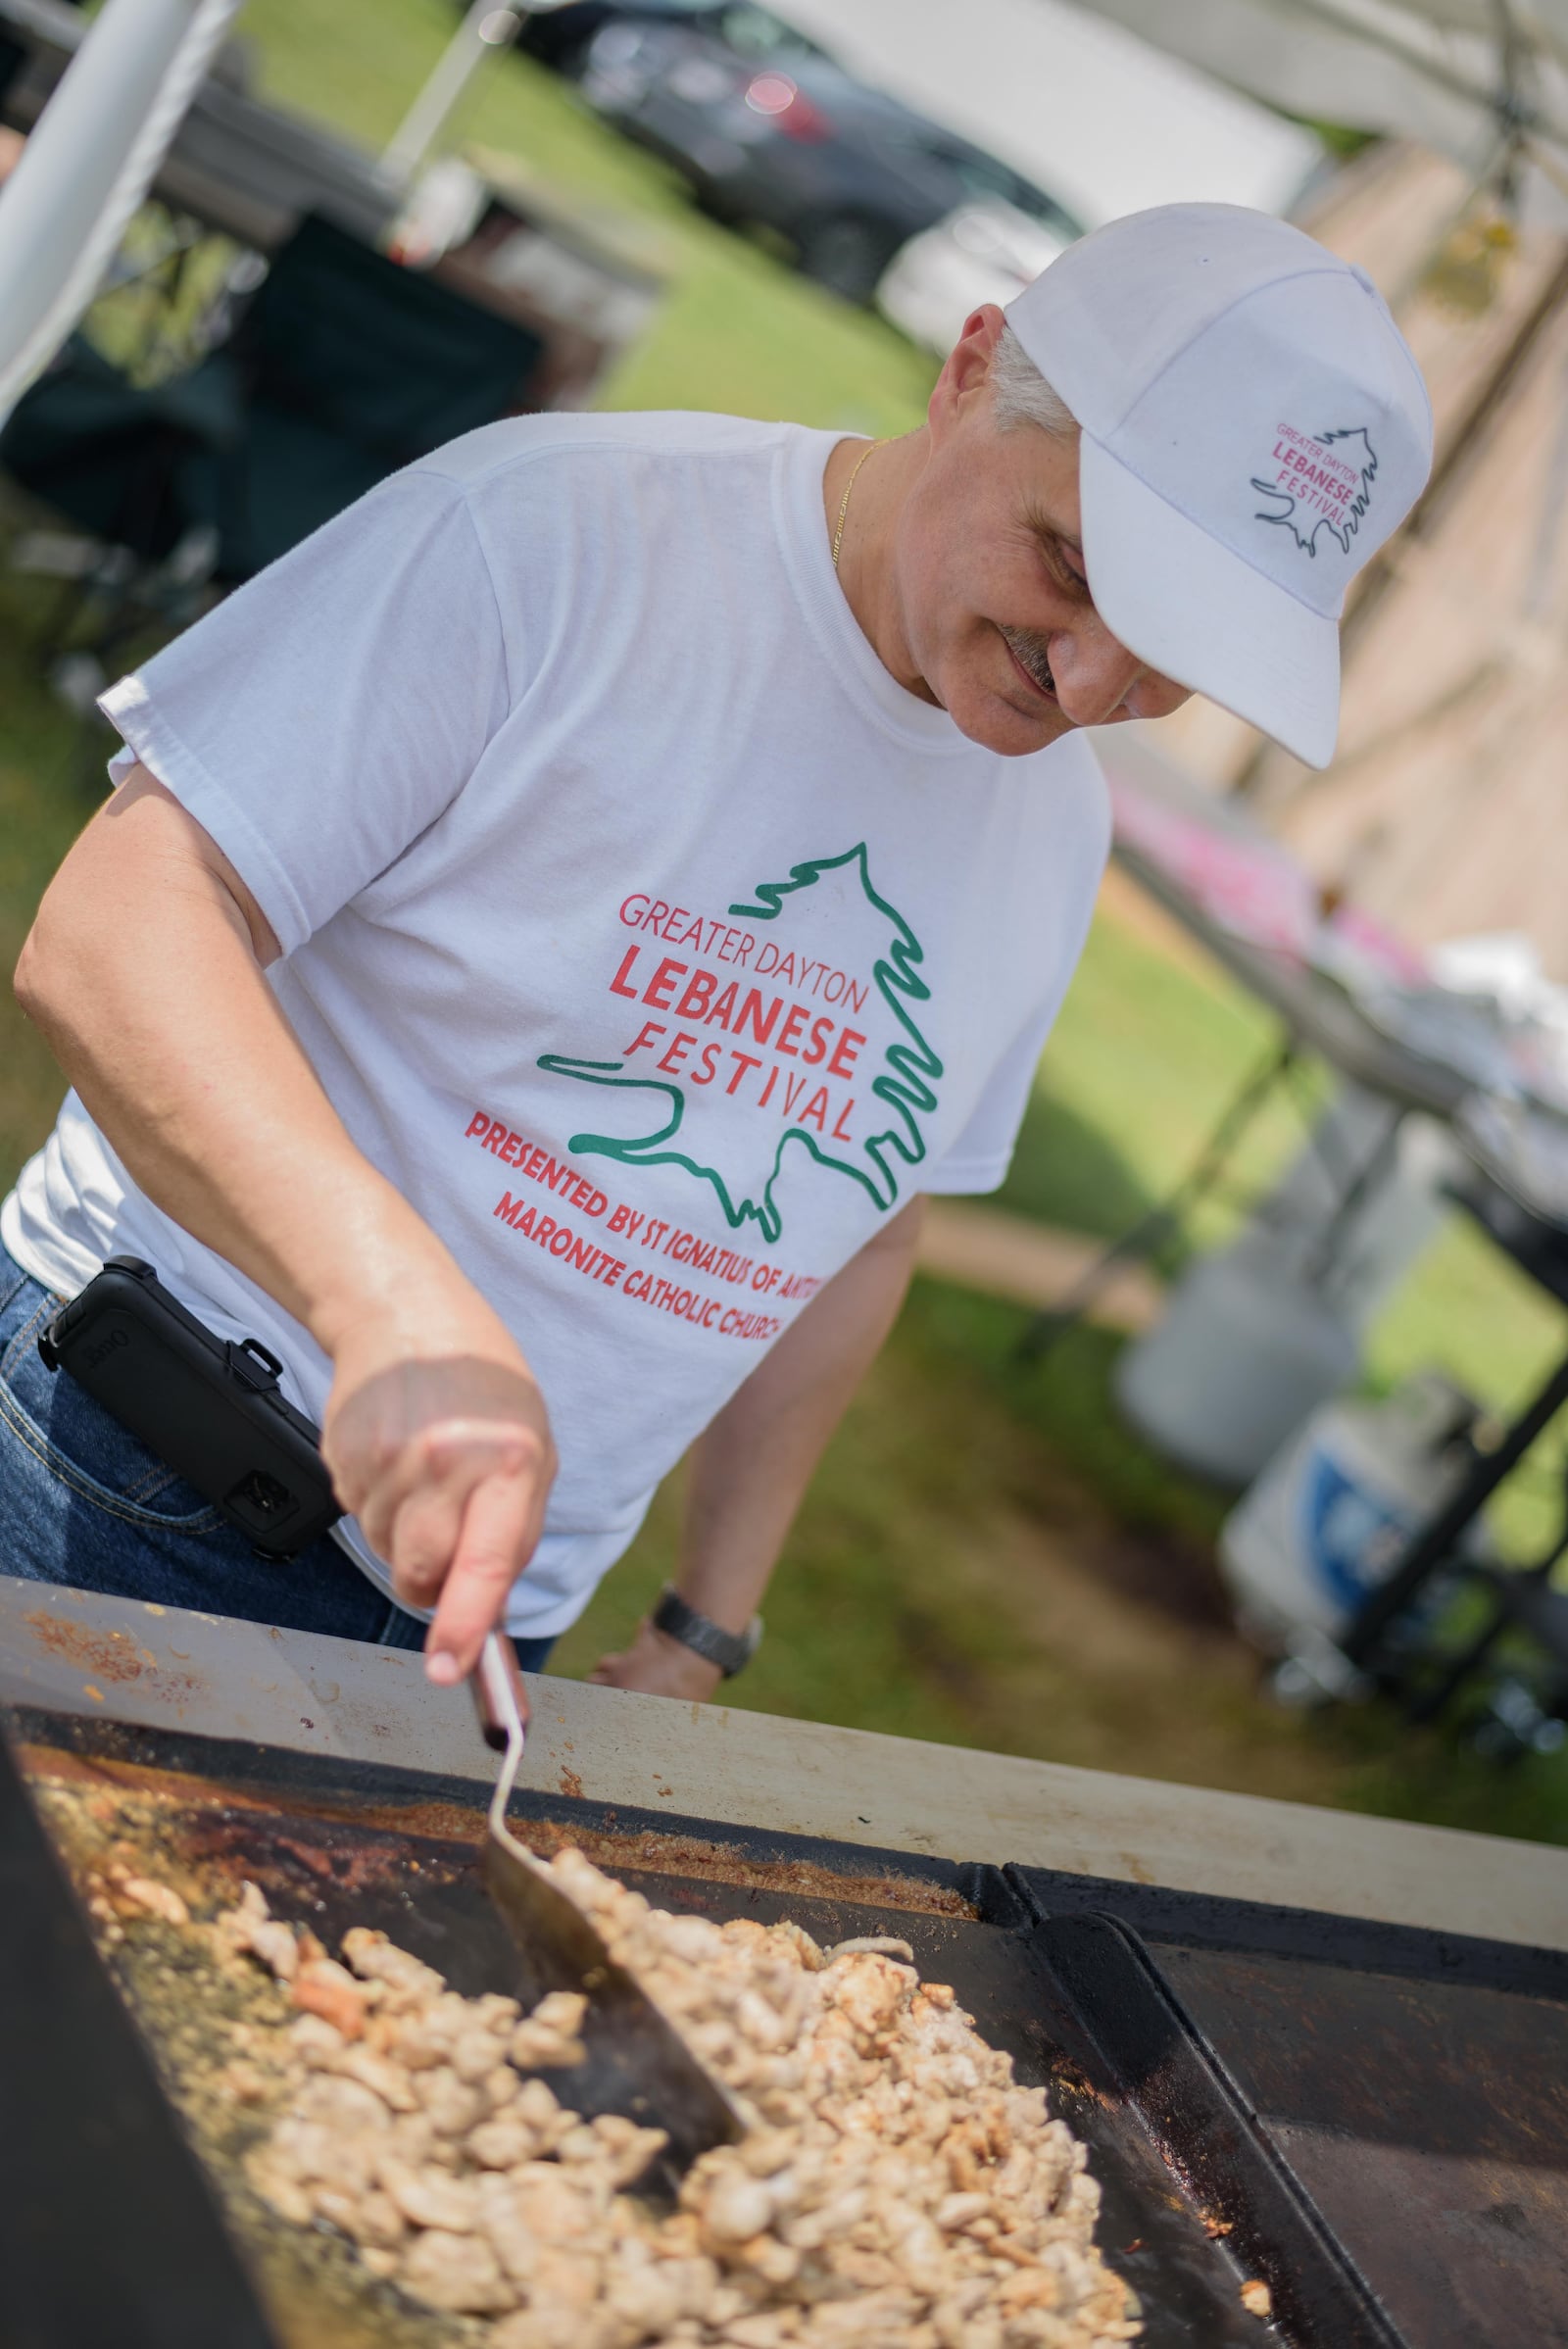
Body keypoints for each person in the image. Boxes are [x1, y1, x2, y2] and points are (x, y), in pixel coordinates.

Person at [3, 204, 1431, 1701]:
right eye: (1071, 567)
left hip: (492, 1625)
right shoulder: (557, 536)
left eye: (1176, 662)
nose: (1089, 680)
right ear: (972, 369)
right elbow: (118, 920)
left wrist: (708, 1615)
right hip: (134, 1460)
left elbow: (860, 1227)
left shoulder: (1058, 830)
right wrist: (380, 1300)